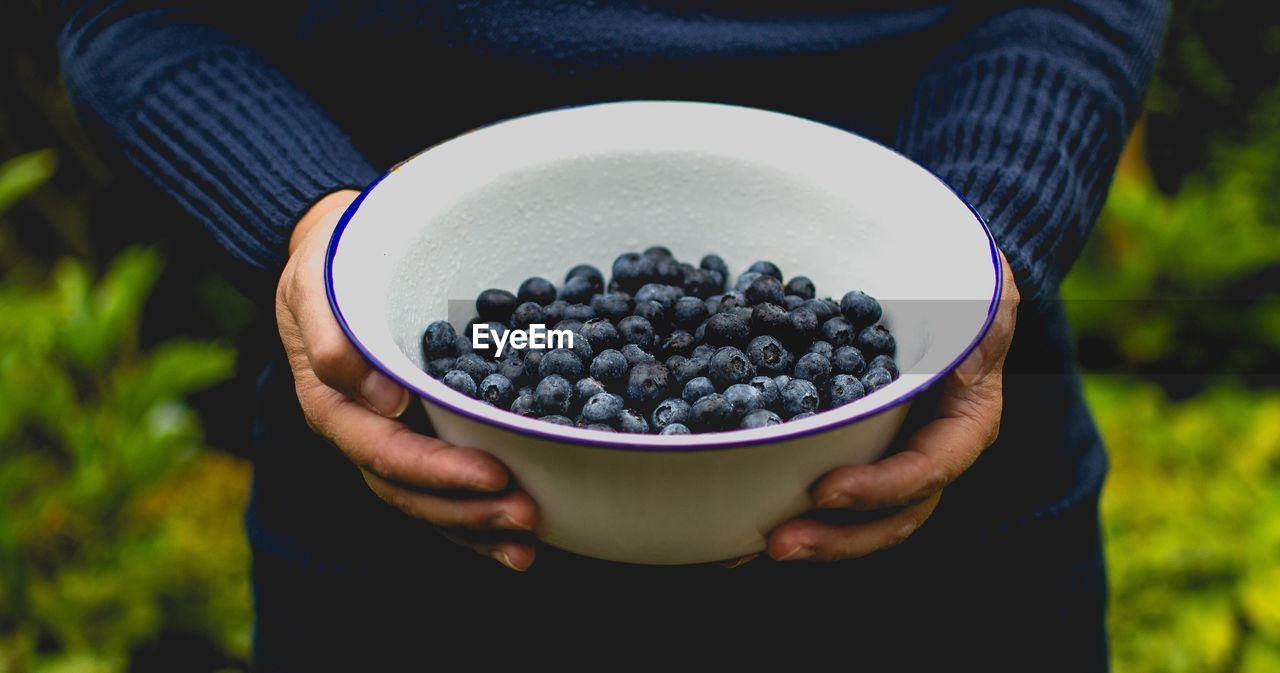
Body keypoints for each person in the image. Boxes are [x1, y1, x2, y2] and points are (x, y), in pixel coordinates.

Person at [57, 1, 1167, 669]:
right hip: (418, 518)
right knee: (520, 347)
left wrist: (974, 247)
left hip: (947, 552)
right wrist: (310, 217)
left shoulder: (792, 339)